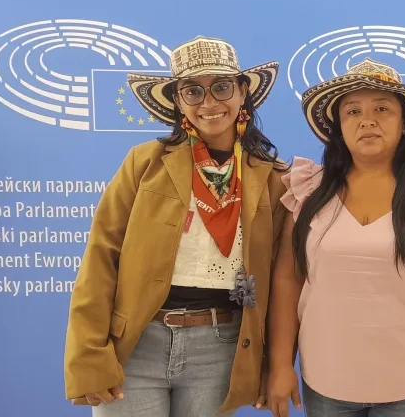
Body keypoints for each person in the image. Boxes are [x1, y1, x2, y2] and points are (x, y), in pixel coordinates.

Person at [63, 36, 290, 417]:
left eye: (221, 86)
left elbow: (280, 279)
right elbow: (102, 257)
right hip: (135, 345)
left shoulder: (272, 178)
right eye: (193, 91)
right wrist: (88, 354)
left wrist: (272, 363)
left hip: (220, 347)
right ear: (177, 100)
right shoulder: (144, 163)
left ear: (242, 92)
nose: (209, 102)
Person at [265, 58, 405, 417]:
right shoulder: (308, 191)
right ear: (338, 127)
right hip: (326, 380)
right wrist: (281, 365)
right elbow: (288, 279)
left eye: (383, 108)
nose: (367, 120)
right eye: (352, 111)